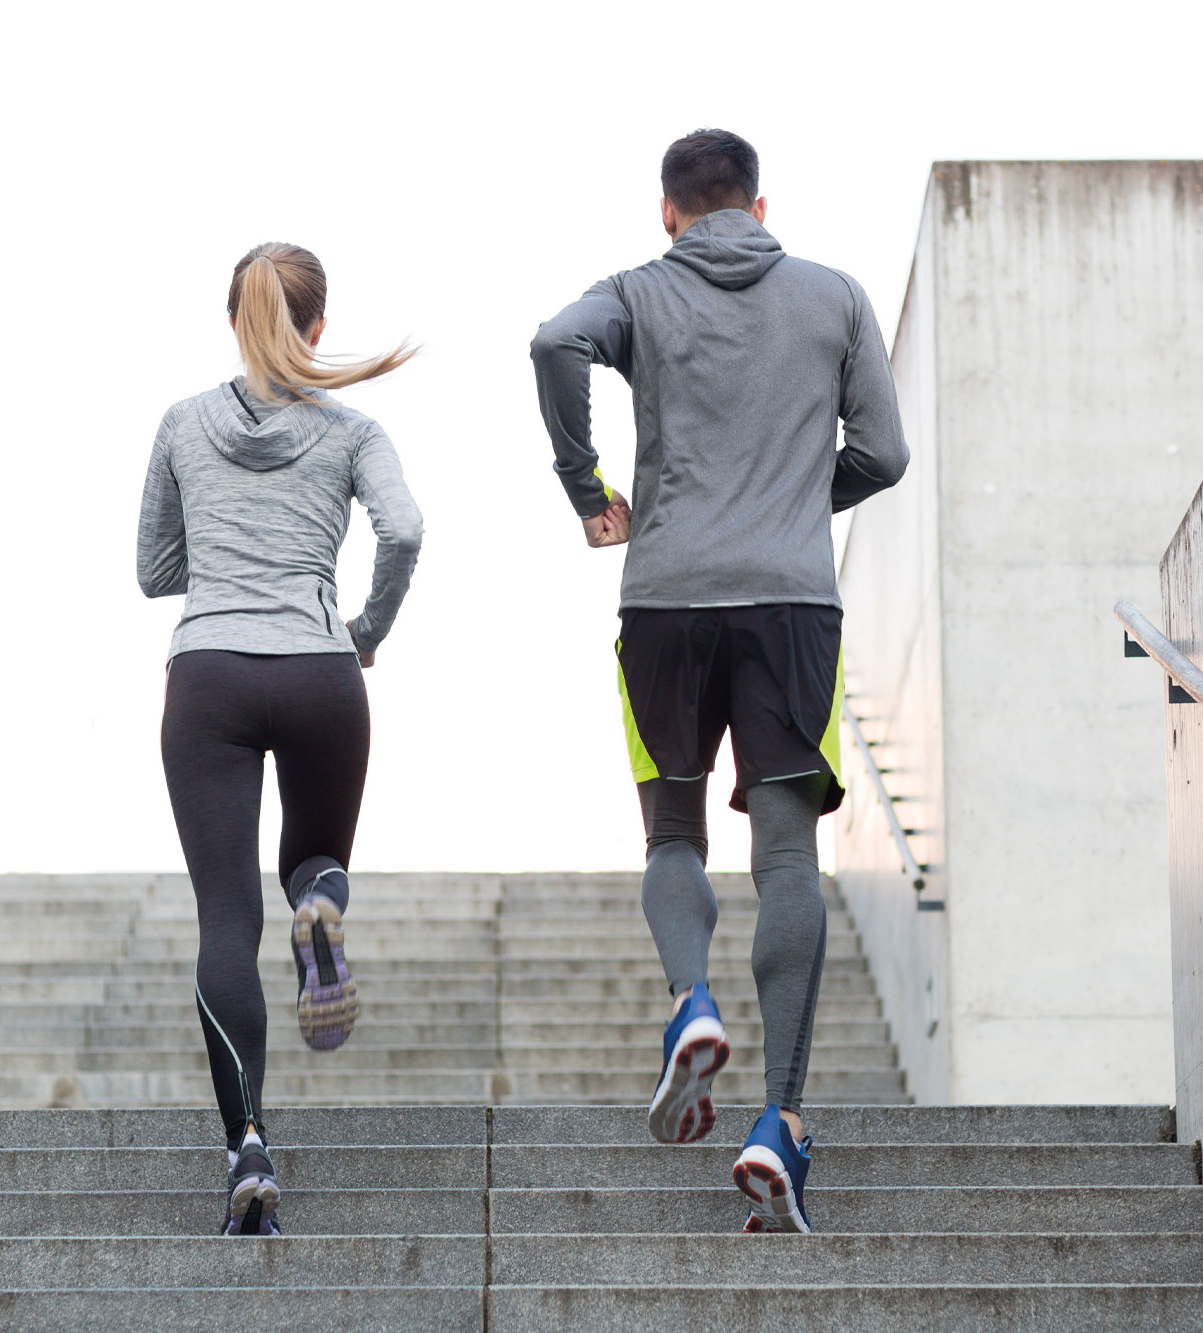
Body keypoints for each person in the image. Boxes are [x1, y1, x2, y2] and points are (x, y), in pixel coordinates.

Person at [529, 128, 907, 1233]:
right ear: (757, 201)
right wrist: (792, 497)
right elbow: (881, 454)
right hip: (793, 602)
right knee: (786, 851)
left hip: (662, 600)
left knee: (671, 836)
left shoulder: (637, 291)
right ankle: (775, 1121)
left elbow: (553, 343)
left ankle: (689, 1001)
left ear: (667, 211)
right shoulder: (832, 296)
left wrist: (584, 485)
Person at [137, 242, 422, 1236]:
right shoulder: (353, 430)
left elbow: (151, 567)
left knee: (224, 921)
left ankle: (247, 1144)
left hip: (208, 670)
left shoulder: (181, 423)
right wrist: (367, 631)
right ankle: (321, 905)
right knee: (312, 858)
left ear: (232, 322)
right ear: (317, 328)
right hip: (320, 668)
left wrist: (223, 557)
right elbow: (405, 530)